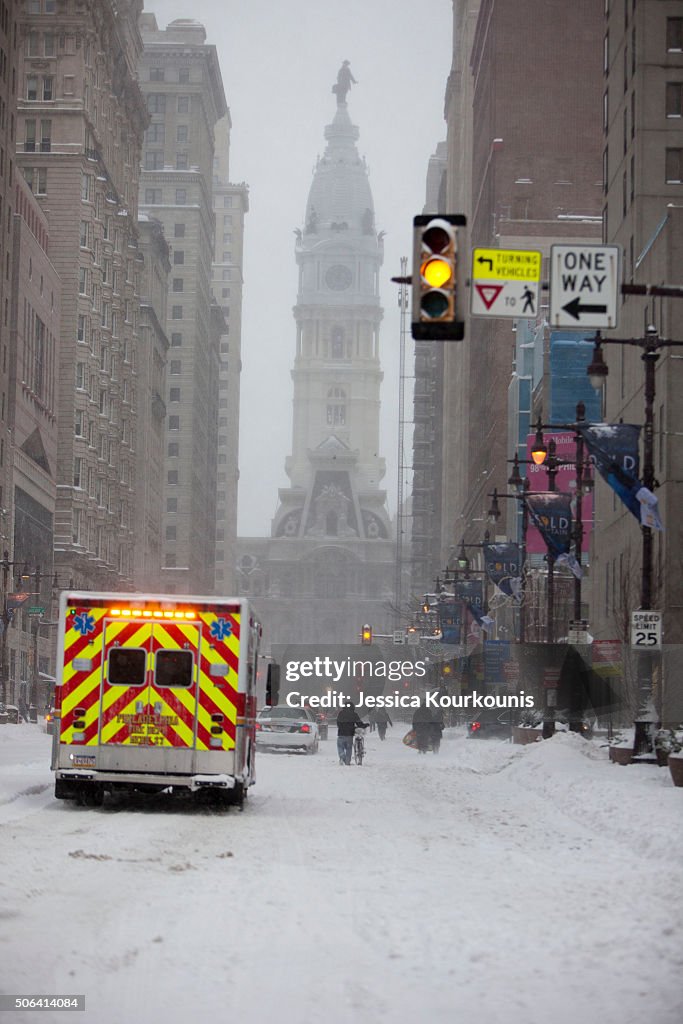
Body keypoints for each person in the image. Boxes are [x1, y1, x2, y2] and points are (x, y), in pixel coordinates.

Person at [336, 699, 369, 765]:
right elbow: (359, 724)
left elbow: (338, 723)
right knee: (349, 748)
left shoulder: (341, 713)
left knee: (340, 747)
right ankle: (347, 761)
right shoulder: (354, 714)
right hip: (349, 735)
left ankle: (342, 757)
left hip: (341, 734)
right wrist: (365, 725)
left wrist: (341, 727)